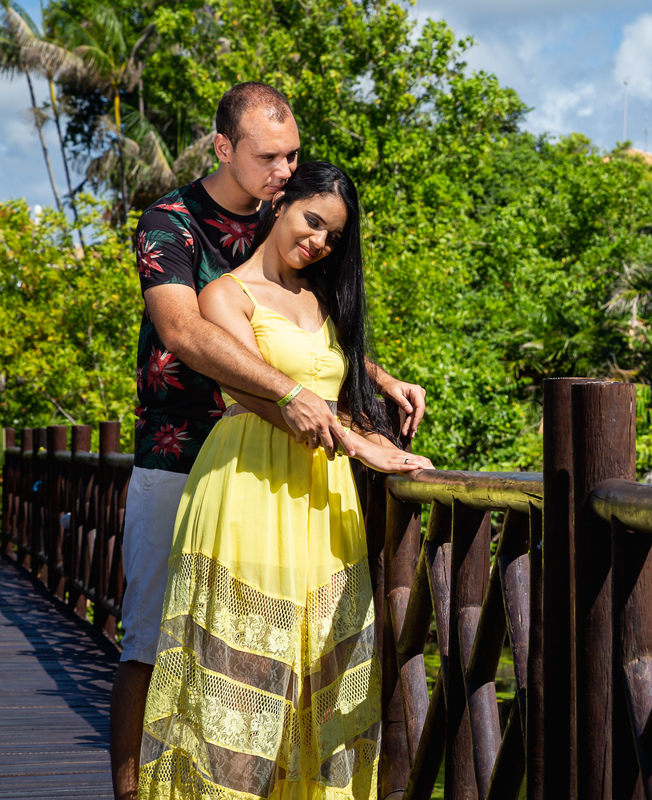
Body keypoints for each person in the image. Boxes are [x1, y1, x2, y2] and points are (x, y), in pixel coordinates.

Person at [113, 83, 428, 800]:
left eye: (291, 156)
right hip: (181, 450)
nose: (285, 169)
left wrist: (372, 377)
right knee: (151, 644)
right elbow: (187, 332)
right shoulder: (172, 222)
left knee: (288, 655)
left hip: (286, 456)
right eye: (269, 156)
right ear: (224, 148)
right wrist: (296, 397)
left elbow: (296, 333)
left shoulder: (284, 224)